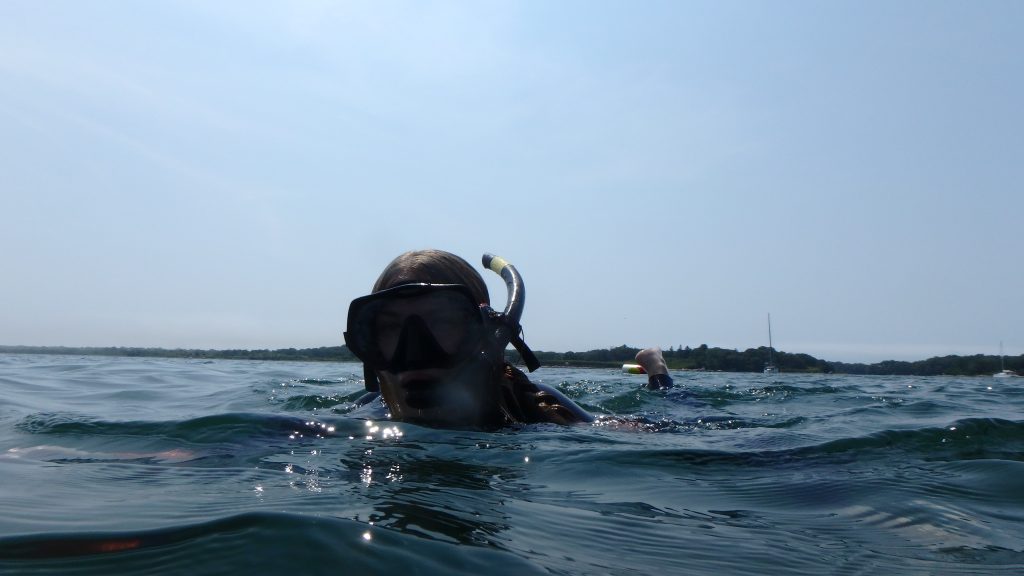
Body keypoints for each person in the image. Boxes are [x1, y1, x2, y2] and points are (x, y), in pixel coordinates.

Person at [344, 249, 672, 429]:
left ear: (485, 333)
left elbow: (643, 431)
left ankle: (656, 369)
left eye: (442, 322)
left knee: (666, 396)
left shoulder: (535, 406)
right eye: (390, 328)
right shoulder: (368, 414)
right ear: (368, 342)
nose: (415, 349)